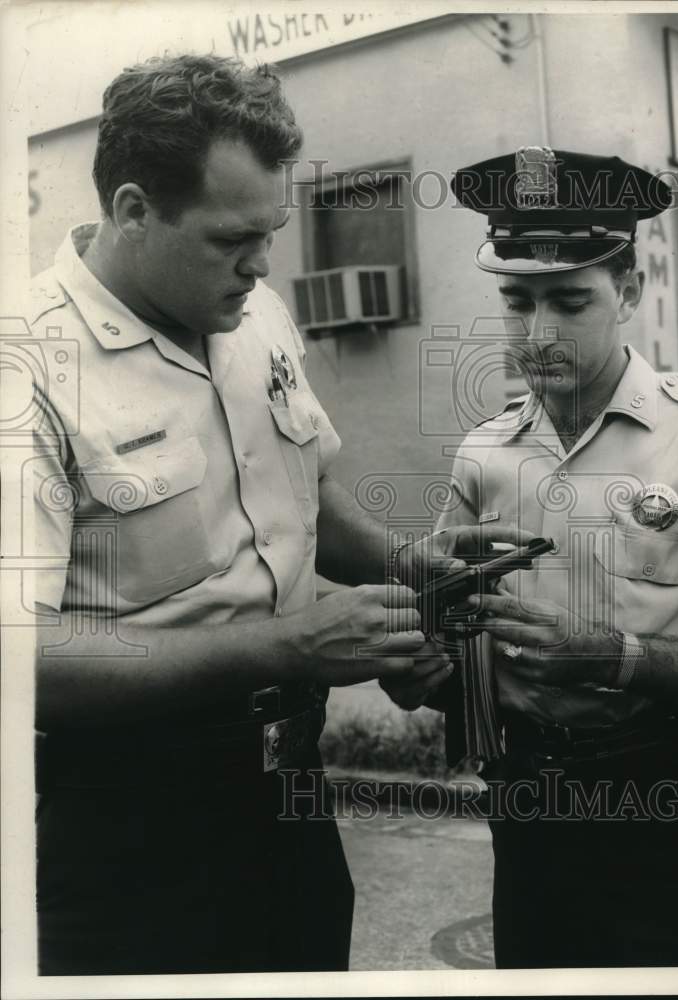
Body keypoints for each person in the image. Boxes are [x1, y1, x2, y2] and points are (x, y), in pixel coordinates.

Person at [28, 54, 527, 976]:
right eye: (231, 241)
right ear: (133, 210)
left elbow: (307, 499)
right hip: (131, 821)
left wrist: (405, 563)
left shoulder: (252, 315)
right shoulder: (28, 367)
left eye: (274, 233)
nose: (260, 266)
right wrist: (283, 647)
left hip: (290, 792)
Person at [382, 146, 678, 967]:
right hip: (530, 811)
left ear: (628, 292)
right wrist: (415, 663)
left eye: (569, 301)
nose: (538, 332)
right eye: (516, 301)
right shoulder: (485, 453)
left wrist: (614, 656)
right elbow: (437, 649)